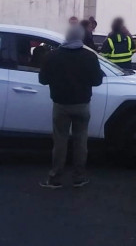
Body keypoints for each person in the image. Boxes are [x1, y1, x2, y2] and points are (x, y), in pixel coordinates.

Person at [38, 24, 103, 189]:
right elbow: (97, 81)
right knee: (81, 141)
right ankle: (79, 178)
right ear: (81, 37)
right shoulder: (89, 57)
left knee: (60, 141)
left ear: (66, 37)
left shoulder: (52, 56)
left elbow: (43, 80)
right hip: (82, 104)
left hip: (61, 104)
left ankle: (55, 178)